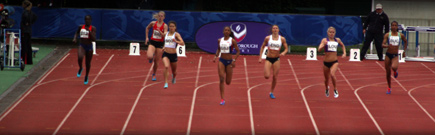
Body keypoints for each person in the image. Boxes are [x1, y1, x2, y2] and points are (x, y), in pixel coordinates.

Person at [258, 25, 288, 99]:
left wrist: (284, 52)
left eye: (276, 28)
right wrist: (260, 57)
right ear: (272, 30)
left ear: (278, 30)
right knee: (267, 76)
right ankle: (266, 70)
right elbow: (262, 47)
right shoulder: (268, 38)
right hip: (268, 58)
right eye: (274, 28)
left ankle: (271, 92)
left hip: (276, 59)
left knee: (275, 77)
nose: (275, 29)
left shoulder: (282, 39)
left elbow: (286, 48)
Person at [213, 26, 240, 105]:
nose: (226, 31)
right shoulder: (219, 40)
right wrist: (215, 56)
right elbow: (218, 49)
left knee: (228, 82)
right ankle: (222, 99)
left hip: (229, 62)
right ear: (223, 31)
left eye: (228, 30)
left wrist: (234, 60)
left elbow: (238, 51)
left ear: (230, 32)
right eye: (225, 30)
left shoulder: (232, 41)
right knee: (221, 79)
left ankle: (228, 75)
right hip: (221, 60)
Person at [318, 26, 346, 98]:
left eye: (333, 32)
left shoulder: (337, 40)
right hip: (326, 62)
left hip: (334, 62)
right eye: (330, 32)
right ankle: (327, 88)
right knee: (326, 79)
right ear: (327, 33)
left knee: (332, 75)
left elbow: (342, 46)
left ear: (335, 33)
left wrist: (344, 53)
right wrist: (324, 45)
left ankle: (335, 89)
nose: (331, 34)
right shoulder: (324, 40)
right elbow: (319, 50)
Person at [382, 21, 407, 94]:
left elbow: (405, 41)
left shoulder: (400, 35)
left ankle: (395, 71)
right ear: (391, 27)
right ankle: (389, 87)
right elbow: (383, 44)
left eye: (395, 25)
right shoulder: (387, 35)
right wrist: (387, 46)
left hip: (395, 55)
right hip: (388, 54)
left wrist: (404, 51)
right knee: (388, 72)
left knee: (394, 67)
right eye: (392, 25)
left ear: (397, 27)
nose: (394, 27)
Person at [73, 15, 96, 85]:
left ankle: (86, 76)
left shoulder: (93, 28)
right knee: (80, 57)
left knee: (87, 63)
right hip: (82, 45)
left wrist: (89, 31)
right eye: (86, 19)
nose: (87, 21)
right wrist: (75, 38)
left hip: (89, 47)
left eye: (88, 20)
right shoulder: (81, 27)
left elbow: (94, 39)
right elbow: (76, 33)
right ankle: (80, 68)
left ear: (91, 20)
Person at [145, 11, 168, 81]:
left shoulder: (165, 25)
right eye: (159, 16)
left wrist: (160, 32)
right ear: (157, 17)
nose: (160, 17)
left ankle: (154, 74)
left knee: (156, 61)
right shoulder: (153, 23)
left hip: (160, 44)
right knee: (149, 56)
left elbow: (165, 35)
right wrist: (146, 37)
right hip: (152, 42)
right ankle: (151, 58)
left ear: (164, 17)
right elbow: (147, 28)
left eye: (161, 16)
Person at [162, 21, 184, 89]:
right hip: (166, 53)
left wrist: (176, 41)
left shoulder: (176, 34)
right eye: (170, 26)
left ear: (175, 27)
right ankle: (166, 82)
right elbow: (165, 42)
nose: (171, 28)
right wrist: (163, 46)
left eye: (173, 26)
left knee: (174, 71)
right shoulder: (166, 34)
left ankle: (174, 77)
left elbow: (182, 43)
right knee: (166, 66)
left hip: (173, 55)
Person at [20, 0, 37, 65]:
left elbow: (26, 18)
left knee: (24, 46)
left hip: (25, 31)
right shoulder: (30, 12)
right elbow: (35, 17)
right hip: (29, 31)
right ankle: (29, 61)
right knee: (28, 46)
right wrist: (30, 23)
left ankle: (24, 60)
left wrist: (27, 22)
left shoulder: (25, 12)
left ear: (24, 5)